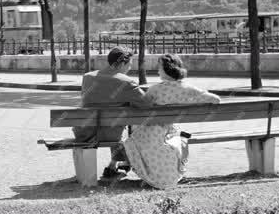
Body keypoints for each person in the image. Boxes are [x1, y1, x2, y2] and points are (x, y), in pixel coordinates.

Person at [124, 54, 220, 189]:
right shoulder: (188, 89)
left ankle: (144, 175)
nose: (157, 70)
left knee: (131, 140)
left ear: (166, 69)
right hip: (170, 131)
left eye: (159, 67)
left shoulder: (155, 89)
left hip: (151, 133)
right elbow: (215, 99)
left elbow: (142, 107)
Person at [73, 47, 148, 178]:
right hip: (110, 136)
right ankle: (124, 162)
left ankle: (114, 165)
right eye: (130, 64)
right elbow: (146, 104)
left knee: (113, 118)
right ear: (123, 63)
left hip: (84, 132)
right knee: (121, 123)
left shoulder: (88, 77)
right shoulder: (127, 82)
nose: (130, 68)